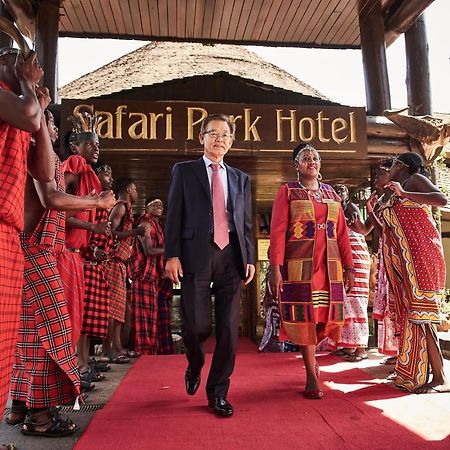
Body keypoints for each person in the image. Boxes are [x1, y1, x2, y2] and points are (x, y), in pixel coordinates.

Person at [8, 99, 114, 436]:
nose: (54, 129)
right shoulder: (39, 151)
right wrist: (97, 202)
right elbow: (51, 199)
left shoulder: (34, 150)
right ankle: (38, 416)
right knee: (49, 337)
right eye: (51, 123)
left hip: (37, 252)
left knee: (33, 336)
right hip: (36, 251)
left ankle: (24, 406)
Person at [165, 113, 255, 417]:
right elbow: (173, 215)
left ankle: (218, 392)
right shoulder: (184, 171)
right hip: (195, 254)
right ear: (201, 138)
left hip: (231, 256)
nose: (219, 139)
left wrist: (251, 257)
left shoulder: (240, 178)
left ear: (231, 142)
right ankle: (194, 361)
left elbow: (244, 223)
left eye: (225, 135)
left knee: (229, 330)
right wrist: (171, 254)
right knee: (197, 326)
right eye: (213, 134)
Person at [268, 143, 354, 400]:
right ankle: (311, 374)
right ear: (297, 165)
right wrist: (275, 267)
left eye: (315, 157)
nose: (311, 161)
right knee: (304, 316)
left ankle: (312, 359)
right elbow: (278, 231)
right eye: (305, 158)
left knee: (322, 317)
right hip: (299, 266)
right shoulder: (288, 191)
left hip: (330, 267)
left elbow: (342, 234)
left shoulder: (331, 193)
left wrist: (349, 267)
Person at [368, 151, 449, 393]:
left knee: (422, 316)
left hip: (423, 254)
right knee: (413, 315)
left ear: (402, 165)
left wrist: (404, 194)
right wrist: (372, 211)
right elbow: (386, 232)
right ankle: (423, 372)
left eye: (392, 164)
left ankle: (440, 377)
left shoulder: (413, 180)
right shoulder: (396, 189)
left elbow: (441, 199)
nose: (388, 169)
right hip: (406, 258)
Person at [0, 47, 50, 417]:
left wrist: (43, 110)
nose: (23, 63)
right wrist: (28, 86)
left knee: (4, 341)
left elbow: (44, 172)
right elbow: (29, 116)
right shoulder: (14, 99)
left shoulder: (22, 102)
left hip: (8, 233)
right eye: (10, 55)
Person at [56, 112, 113, 351]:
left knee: (75, 319)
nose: (95, 149)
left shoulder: (88, 174)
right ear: (74, 146)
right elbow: (59, 213)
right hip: (64, 253)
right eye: (89, 144)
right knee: (65, 319)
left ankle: (74, 373)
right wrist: (93, 225)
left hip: (76, 255)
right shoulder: (74, 167)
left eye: (97, 144)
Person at [78, 163, 115, 382]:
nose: (109, 177)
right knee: (82, 321)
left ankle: (84, 361)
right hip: (86, 263)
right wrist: (94, 248)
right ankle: (80, 364)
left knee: (89, 322)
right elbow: (78, 231)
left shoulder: (103, 206)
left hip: (97, 266)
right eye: (105, 173)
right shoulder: (89, 201)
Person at [104, 177, 145, 361]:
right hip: (113, 263)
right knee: (113, 309)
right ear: (128, 189)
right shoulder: (120, 206)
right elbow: (110, 232)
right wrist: (134, 232)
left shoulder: (126, 209)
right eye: (135, 189)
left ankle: (118, 346)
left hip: (121, 264)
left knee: (120, 309)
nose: (137, 193)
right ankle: (111, 349)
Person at [332, 184, 371, 361]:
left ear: (347, 195)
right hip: (344, 258)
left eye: (342, 191)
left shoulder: (351, 208)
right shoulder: (335, 209)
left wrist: (371, 211)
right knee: (346, 302)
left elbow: (363, 230)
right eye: (336, 190)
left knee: (357, 301)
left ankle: (361, 348)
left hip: (356, 258)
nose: (339, 193)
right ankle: (348, 345)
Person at [129, 199, 173, 355]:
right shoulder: (146, 224)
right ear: (146, 207)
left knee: (151, 319)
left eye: (161, 204)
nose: (159, 206)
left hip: (152, 277)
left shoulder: (158, 226)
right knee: (144, 319)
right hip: (143, 276)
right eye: (155, 204)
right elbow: (148, 250)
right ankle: (144, 352)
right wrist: (170, 251)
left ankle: (151, 352)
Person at [369, 158, 399, 364]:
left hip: (400, 255)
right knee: (390, 305)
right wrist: (370, 211)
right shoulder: (382, 201)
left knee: (398, 304)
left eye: (381, 173)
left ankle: (403, 354)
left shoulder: (400, 194)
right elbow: (381, 233)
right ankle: (397, 353)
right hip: (386, 254)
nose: (376, 178)